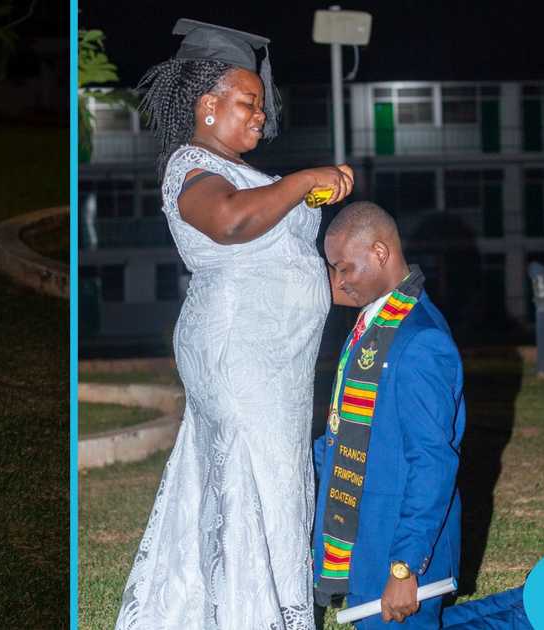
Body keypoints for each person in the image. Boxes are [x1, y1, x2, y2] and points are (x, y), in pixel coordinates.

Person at [115, 18, 355, 630]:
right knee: (256, 481)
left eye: (260, 105)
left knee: (267, 478)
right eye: (248, 103)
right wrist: (303, 182)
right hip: (238, 353)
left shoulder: (245, 174)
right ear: (208, 104)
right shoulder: (191, 169)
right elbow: (226, 223)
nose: (259, 116)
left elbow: (276, 254)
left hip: (274, 361)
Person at [313, 201, 465, 629]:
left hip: (396, 553)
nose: (338, 282)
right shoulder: (375, 326)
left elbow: (433, 461)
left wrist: (405, 567)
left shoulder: (419, 342)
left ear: (380, 254)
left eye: (344, 268)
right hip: (366, 540)